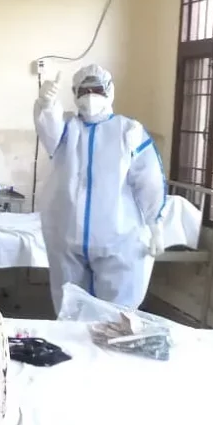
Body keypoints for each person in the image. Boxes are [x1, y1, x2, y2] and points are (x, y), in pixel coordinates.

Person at [35, 63, 166, 312]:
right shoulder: (66, 129)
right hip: (67, 235)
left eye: (97, 89)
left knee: (116, 314)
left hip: (117, 236)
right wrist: (46, 104)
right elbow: (47, 128)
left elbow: (149, 180)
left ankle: (112, 349)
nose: (90, 96)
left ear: (109, 91)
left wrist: (155, 223)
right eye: (83, 91)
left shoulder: (129, 130)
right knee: (70, 308)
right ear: (74, 94)